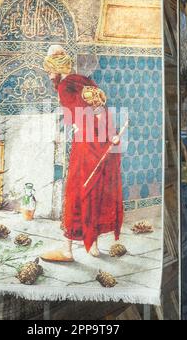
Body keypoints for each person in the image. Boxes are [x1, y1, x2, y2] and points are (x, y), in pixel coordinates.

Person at [41, 45, 124, 262]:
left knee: (77, 190)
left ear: (56, 70)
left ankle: (68, 250)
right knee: (94, 188)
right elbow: (100, 111)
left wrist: (79, 126)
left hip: (85, 144)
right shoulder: (85, 80)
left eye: (50, 72)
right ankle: (93, 246)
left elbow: (79, 117)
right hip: (101, 141)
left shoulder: (64, 86)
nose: (49, 76)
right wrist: (111, 134)